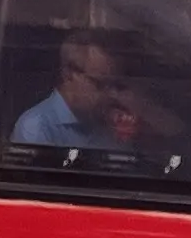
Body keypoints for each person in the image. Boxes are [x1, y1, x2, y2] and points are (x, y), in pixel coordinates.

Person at [11, 30, 149, 150]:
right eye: (100, 84)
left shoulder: (109, 129)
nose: (110, 94)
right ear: (69, 74)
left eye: (114, 86)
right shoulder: (37, 127)